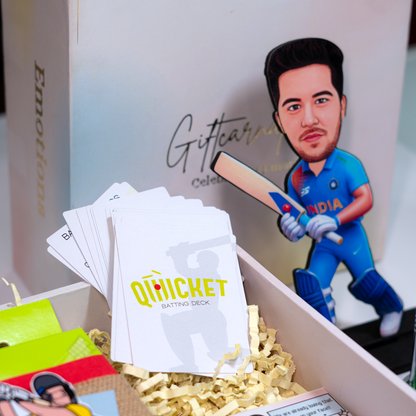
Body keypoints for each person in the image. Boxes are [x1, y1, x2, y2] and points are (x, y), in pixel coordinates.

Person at [264, 38, 403, 337]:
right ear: (279, 121)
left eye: (321, 100)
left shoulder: (347, 165)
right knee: (311, 286)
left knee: (367, 281)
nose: (309, 119)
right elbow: (297, 213)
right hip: (323, 245)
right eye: (294, 106)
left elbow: (365, 199)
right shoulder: (296, 178)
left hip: (351, 238)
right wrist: (293, 228)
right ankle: (328, 332)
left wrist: (336, 219)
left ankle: (392, 307)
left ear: (342, 106)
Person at [0, 373, 92, 416]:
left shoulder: (80, 410)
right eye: (50, 395)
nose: (58, 396)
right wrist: (3, 400)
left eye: (62, 393)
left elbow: (59, 413)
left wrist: (18, 397)